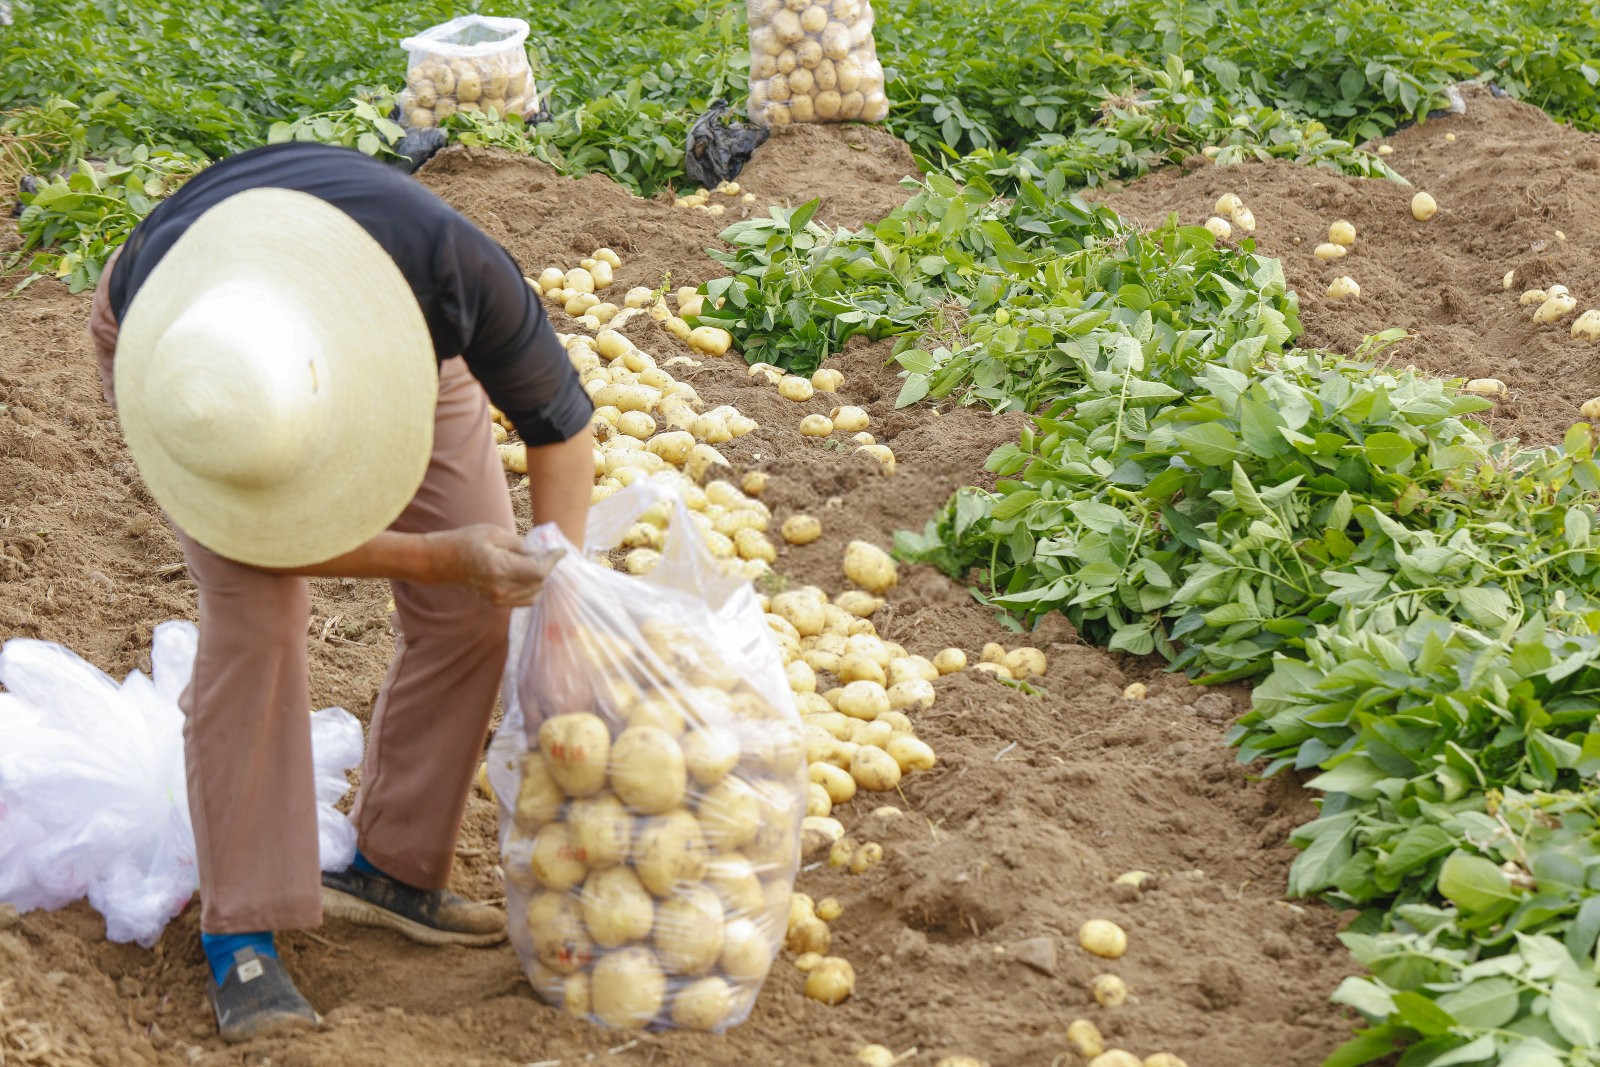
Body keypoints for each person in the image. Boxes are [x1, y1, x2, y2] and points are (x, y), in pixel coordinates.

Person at [86, 141, 595, 1043]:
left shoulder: (451, 271)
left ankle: (391, 868)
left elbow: (561, 425)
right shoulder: (185, 361)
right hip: (204, 370)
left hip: (375, 318)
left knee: (483, 608)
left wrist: (557, 596)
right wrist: (444, 556)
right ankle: (239, 931)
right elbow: (278, 549)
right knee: (256, 625)